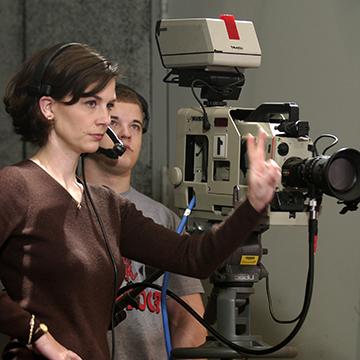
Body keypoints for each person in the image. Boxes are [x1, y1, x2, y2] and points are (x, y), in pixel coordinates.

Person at [0, 42, 281, 360]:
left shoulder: (105, 205)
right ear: (48, 107)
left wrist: (253, 203)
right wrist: (40, 337)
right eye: (91, 104)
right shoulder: (15, 186)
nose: (104, 119)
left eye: (108, 106)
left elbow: (193, 257)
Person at [84, 83, 207, 359]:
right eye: (114, 123)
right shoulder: (61, 203)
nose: (126, 134)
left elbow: (190, 318)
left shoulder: (163, 219)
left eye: (136, 126)